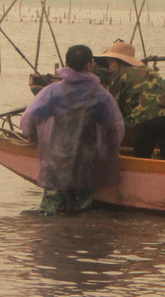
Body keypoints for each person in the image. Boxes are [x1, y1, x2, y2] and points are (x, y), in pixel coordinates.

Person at [20, 44, 125, 215]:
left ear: (67, 64)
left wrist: (32, 137)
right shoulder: (102, 95)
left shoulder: (52, 91)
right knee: (80, 213)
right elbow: (115, 129)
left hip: (57, 160)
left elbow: (28, 120)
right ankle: (77, 237)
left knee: (50, 212)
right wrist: (108, 151)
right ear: (89, 65)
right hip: (86, 162)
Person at [95, 39, 165, 159]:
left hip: (146, 122)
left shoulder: (120, 76)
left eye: (111, 62)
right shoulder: (151, 71)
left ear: (120, 61)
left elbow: (112, 108)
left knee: (142, 159)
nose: (110, 67)